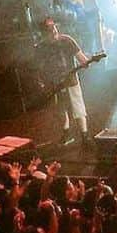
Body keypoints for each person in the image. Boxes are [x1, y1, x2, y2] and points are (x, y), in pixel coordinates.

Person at [38, 16, 92, 147]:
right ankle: (66, 133)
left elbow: (82, 59)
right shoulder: (42, 47)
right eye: (49, 30)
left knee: (77, 107)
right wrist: (41, 81)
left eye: (54, 28)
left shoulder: (67, 41)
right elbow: (40, 67)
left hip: (70, 80)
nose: (53, 31)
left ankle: (84, 136)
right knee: (61, 109)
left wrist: (86, 62)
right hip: (54, 82)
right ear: (44, 33)